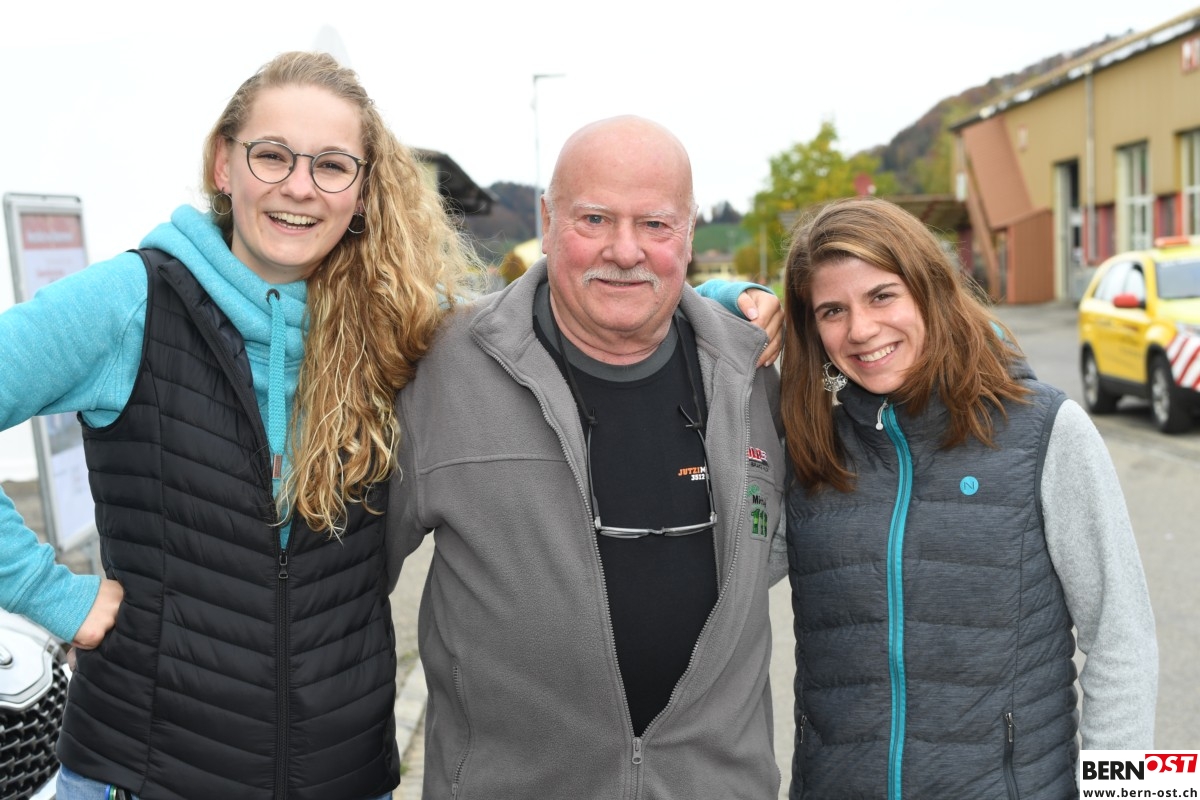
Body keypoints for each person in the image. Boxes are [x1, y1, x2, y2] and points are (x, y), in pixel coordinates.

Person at [0, 51, 477, 800]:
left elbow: (547, 341)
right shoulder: (133, 301)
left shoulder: (397, 326)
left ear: (363, 190)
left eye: (331, 165)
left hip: (345, 776)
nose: (299, 187)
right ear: (224, 165)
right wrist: (51, 594)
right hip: (145, 773)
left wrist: (702, 306)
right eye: (272, 155)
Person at [387, 115, 787, 798]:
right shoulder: (440, 371)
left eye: (655, 225)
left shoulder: (756, 375)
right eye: (595, 219)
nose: (625, 251)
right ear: (547, 222)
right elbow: (337, 589)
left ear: (690, 233)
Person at [780, 196, 1158, 799]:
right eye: (832, 310)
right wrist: (726, 302)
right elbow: (717, 580)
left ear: (931, 291)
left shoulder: (1044, 429)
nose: (860, 329)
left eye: (882, 296)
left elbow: (1123, 639)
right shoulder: (811, 448)